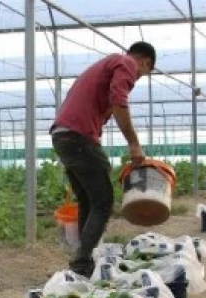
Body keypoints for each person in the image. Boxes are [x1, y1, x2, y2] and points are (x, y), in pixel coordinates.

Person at [50, 41, 156, 277]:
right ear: (145, 61)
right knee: (102, 201)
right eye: (143, 72)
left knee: (88, 200)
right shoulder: (126, 62)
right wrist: (134, 144)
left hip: (63, 136)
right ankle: (81, 261)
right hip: (78, 137)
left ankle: (82, 259)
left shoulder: (104, 65)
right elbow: (120, 102)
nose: (137, 78)